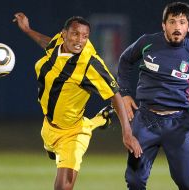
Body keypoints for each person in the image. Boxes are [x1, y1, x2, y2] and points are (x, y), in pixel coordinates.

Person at [13, 13, 142, 190]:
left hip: (72, 134)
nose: (79, 40)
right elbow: (49, 44)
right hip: (49, 127)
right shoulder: (58, 42)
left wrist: (127, 133)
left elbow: (115, 95)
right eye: (75, 34)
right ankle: (99, 120)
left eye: (85, 36)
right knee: (52, 153)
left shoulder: (89, 64)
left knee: (63, 186)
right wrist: (27, 30)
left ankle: (91, 125)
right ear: (64, 34)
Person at [117, 2, 189, 190]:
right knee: (134, 181)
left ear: (188, 27)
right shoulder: (147, 43)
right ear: (163, 25)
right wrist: (125, 93)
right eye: (172, 21)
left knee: (186, 183)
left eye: (182, 22)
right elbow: (125, 60)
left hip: (177, 124)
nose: (177, 27)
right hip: (145, 121)